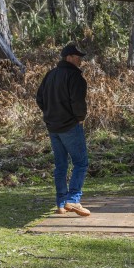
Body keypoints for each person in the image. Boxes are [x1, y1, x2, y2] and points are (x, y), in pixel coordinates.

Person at [36, 43, 90, 216]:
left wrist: (50, 114)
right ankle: (73, 200)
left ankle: (60, 203)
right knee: (80, 163)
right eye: (77, 56)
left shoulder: (50, 75)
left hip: (53, 127)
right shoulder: (75, 77)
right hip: (70, 126)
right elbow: (78, 103)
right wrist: (80, 118)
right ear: (69, 57)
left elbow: (40, 99)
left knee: (61, 165)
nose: (80, 60)